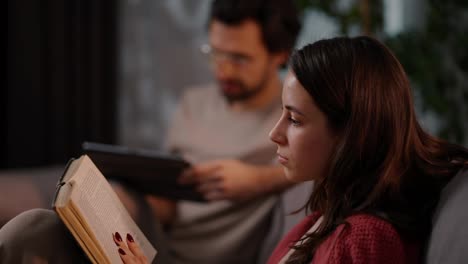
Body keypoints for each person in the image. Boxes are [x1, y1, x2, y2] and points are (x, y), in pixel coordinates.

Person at [111, 36, 468, 263]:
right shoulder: (324, 218)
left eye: (294, 120)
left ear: (350, 135)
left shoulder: (362, 240)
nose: (274, 134)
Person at [0, 0, 302, 264]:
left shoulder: (289, 119)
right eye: (215, 53)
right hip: (146, 235)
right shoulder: (194, 103)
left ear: (279, 54)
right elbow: (168, 205)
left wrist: (257, 180)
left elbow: (332, 163)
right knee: (30, 229)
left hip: (184, 258)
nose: (223, 70)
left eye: (238, 59)